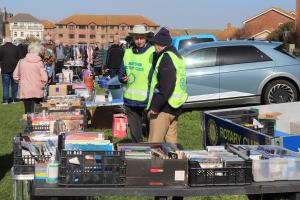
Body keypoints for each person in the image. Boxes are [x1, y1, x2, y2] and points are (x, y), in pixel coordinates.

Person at [147, 27, 188, 143]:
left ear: (159, 44)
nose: (154, 48)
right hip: (175, 107)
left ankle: (156, 161)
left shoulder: (166, 58)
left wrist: (155, 107)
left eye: (154, 44)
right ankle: (174, 161)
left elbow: (166, 86)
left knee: (155, 144)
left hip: (164, 108)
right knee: (171, 145)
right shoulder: (177, 56)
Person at [118, 25, 155, 143]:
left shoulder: (152, 52)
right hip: (130, 99)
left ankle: (152, 152)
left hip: (147, 100)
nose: (139, 41)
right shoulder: (127, 52)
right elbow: (121, 73)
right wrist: (123, 78)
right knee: (135, 133)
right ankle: (138, 152)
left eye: (141, 38)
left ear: (146, 38)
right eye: (136, 38)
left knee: (152, 132)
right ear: (133, 38)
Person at [13, 42, 48, 114]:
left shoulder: (21, 61)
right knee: (37, 112)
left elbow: (15, 76)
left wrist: (21, 81)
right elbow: (45, 78)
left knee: (27, 111)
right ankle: (34, 124)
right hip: (37, 89)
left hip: (25, 89)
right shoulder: (40, 62)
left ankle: (28, 124)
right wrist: (42, 84)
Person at [0, 37, 20, 104]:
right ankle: (14, 99)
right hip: (14, 69)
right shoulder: (16, 48)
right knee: (14, 85)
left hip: (5, 69)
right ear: (11, 41)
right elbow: (19, 58)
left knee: (6, 85)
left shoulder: (1, 48)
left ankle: (5, 100)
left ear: (5, 41)